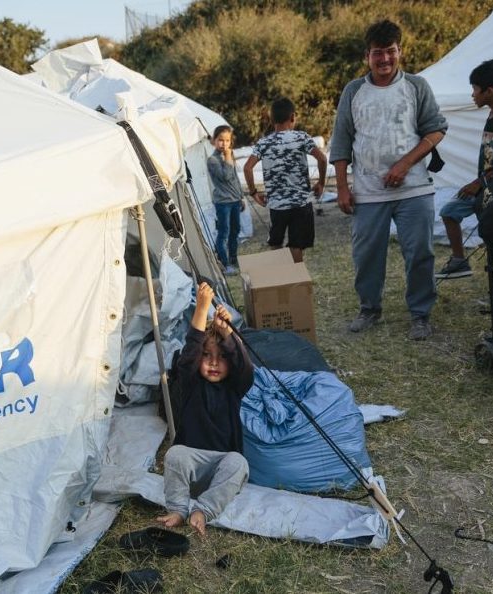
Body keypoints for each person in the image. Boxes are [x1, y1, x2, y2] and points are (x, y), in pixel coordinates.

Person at [330, 19, 447, 340]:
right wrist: (342, 186)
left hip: (415, 188)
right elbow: (340, 141)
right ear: (367, 56)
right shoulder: (354, 91)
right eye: (377, 53)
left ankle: (421, 314)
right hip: (368, 190)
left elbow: (436, 129)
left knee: (420, 252)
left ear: (400, 52)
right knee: (366, 254)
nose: (385, 60)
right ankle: (369, 308)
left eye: (390, 52)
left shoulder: (416, 86)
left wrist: (405, 163)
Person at [156, 282, 253, 536]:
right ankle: (178, 509)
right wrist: (201, 309)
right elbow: (188, 356)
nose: (213, 363)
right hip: (191, 467)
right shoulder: (190, 382)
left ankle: (203, 510)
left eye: (222, 357)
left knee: (239, 463)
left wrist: (228, 334)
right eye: (207, 356)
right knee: (174, 454)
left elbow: (244, 367)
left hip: (221, 470)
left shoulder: (235, 387)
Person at [436, 58, 493, 279]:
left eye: (475, 89)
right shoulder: (492, 115)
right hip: (485, 186)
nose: (473, 94)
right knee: (449, 212)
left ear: (489, 91)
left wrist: (480, 183)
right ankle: (459, 261)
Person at [243, 97, 327, 263]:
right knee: (296, 244)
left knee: (276, 243)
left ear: (271, 119)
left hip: (277, 205)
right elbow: (323, 160)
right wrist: (321, 182)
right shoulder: (302, 138)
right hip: (300, 203)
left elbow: (247, 168)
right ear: (293, 117)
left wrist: (253, 192)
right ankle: (297, 281)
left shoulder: (264, 143)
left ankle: (281, 280)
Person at [206, 125, 245, 275]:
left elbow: (234, 179)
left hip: (235, 200)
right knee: (224, 232)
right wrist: (228, 157)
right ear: (214, 141)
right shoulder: (212, 160)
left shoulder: (229, 155)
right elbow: (226, 176)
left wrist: (241, 197)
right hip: (223, 203)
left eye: (227, 140)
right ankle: (224, 263)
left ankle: (234, 259)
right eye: (221, 140)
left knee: (235, 231)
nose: (224, 144)